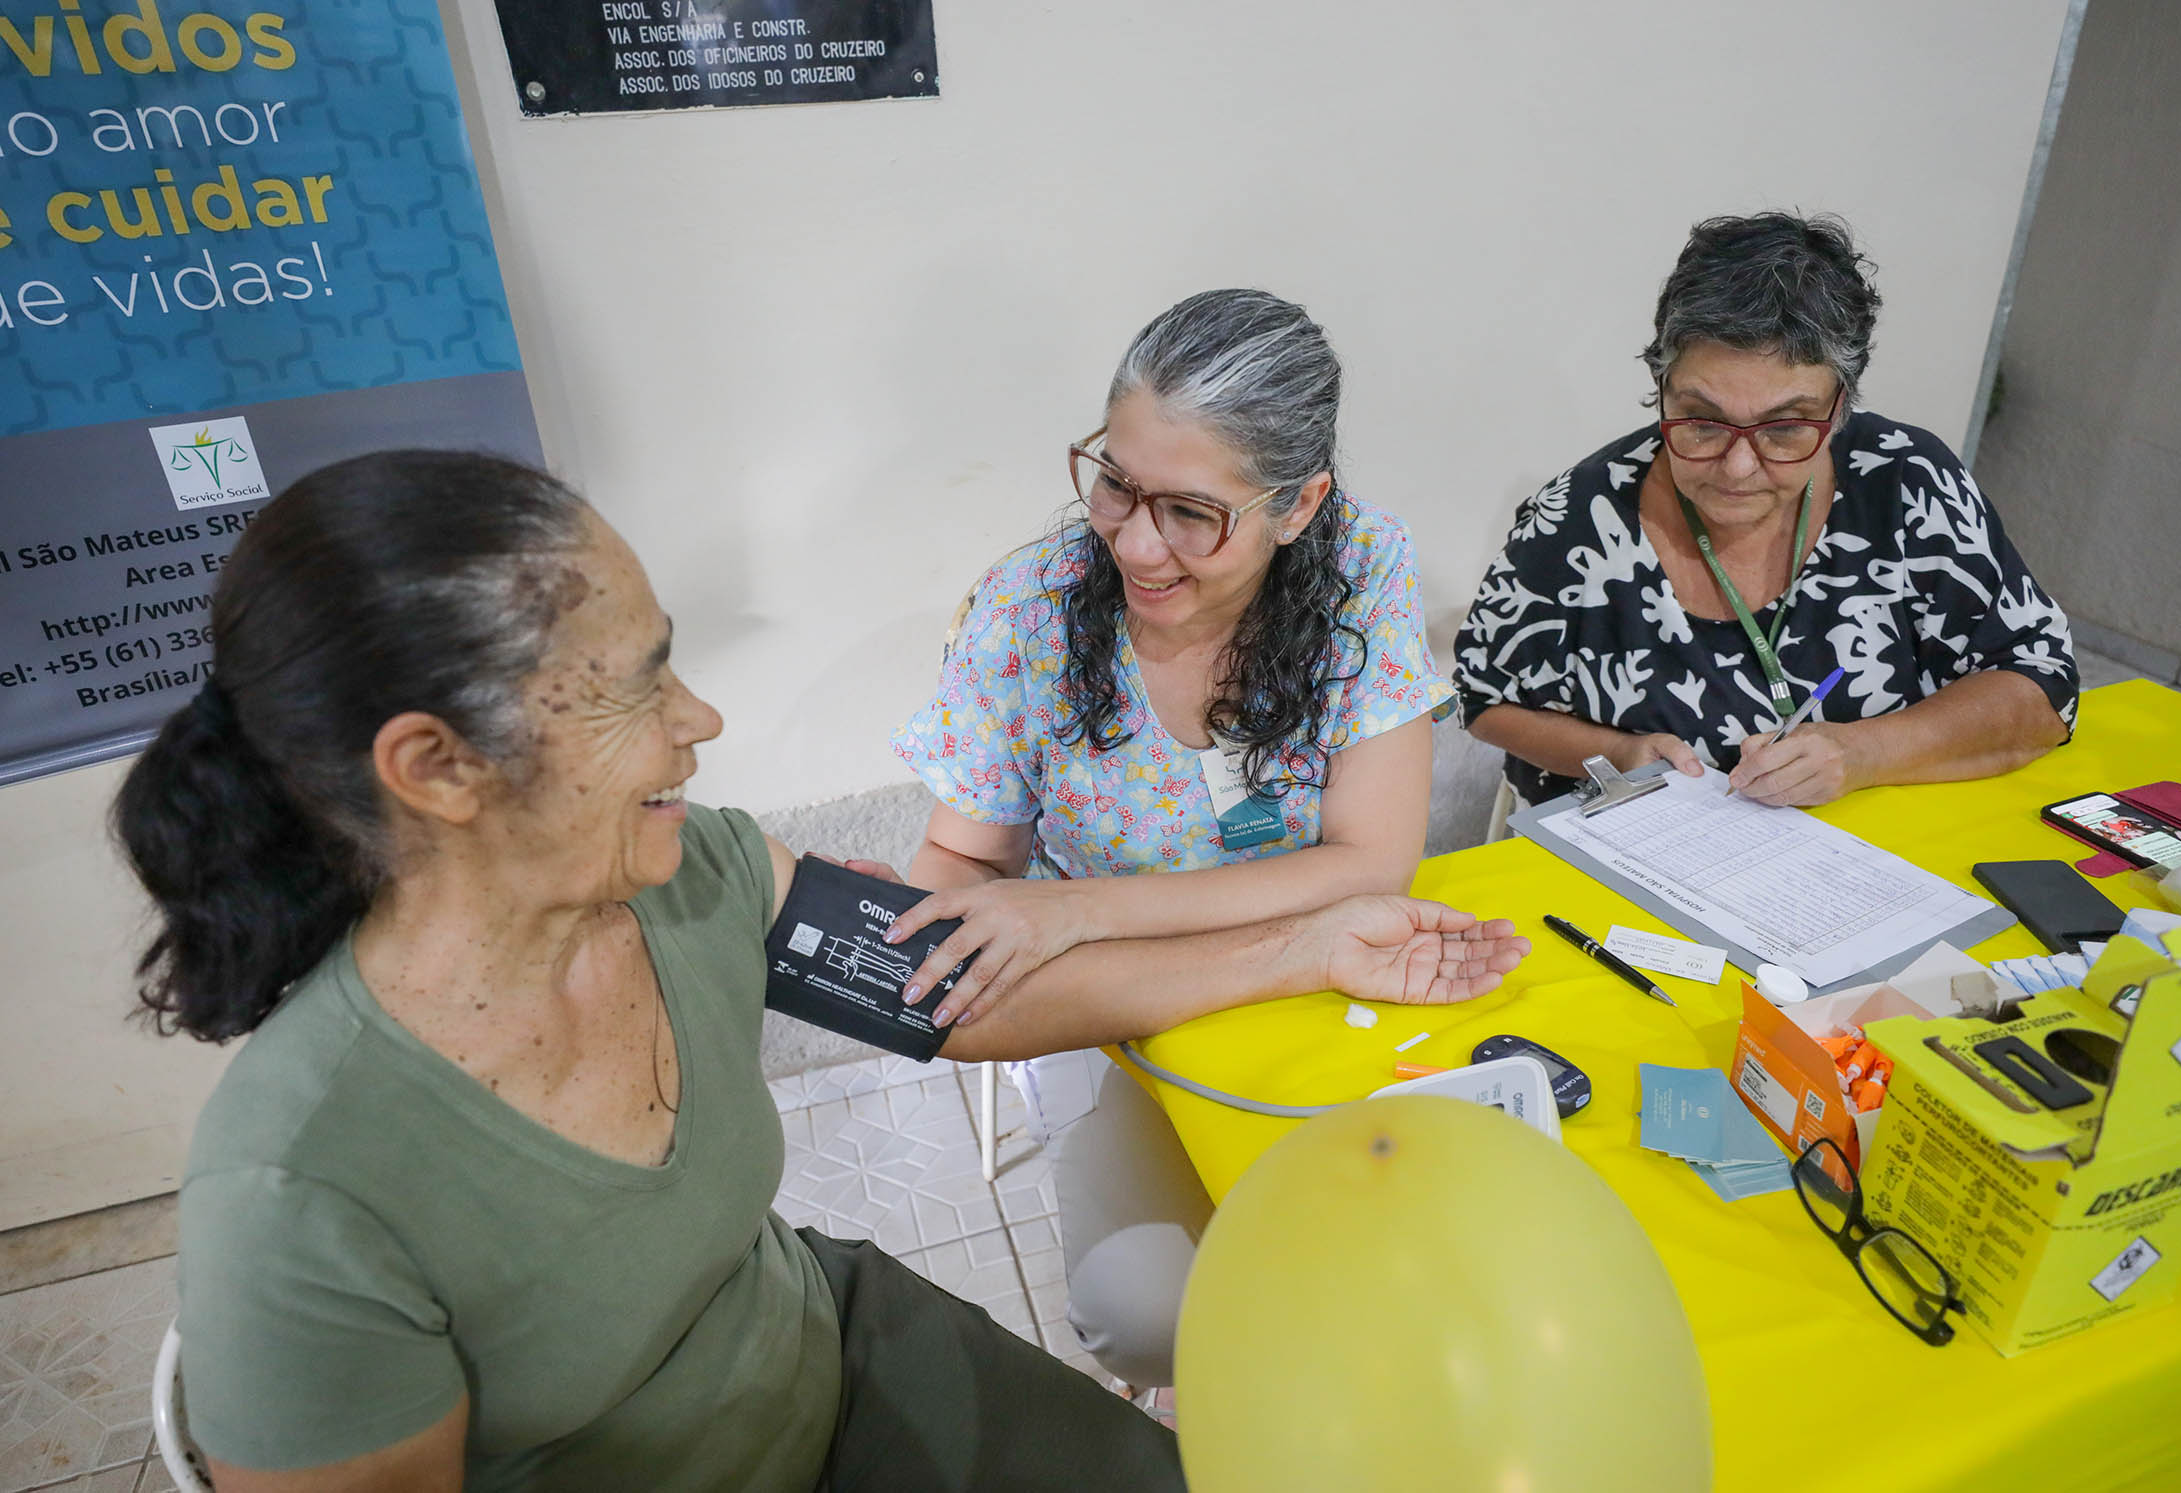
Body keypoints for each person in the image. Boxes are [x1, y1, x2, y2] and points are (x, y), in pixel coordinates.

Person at [112, 451, 1529, 1492]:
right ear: (436, 767)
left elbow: (960, 988)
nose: (702, 718)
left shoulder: (693, 881)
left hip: (838, 1360)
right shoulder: (305, 1195)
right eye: (632, 685)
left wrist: (1302, 946)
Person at [886, 289, 1478, 1392]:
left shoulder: (1361, 569)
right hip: (1117, 1000)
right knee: (1149, 1313)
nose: (1135, 543)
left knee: (1416, 1258)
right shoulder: (1033, 609)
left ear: (1298, 505)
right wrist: (937, 919)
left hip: (1314, 968)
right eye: (1114, 482)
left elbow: (1369, 860)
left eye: (1191, 512)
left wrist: (1080, 904)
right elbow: (963, 860)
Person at [1454, 212, 2077, 813]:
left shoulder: (1903, 482)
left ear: (1839, 409)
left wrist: (1864, 752)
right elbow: (1486, 702)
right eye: (1701, 421)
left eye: (1784, 429)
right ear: (1661, 386)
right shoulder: (1576, 520)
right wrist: (1622, 751)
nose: (1738, 467)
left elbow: (2039, 686)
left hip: (1867, 861)